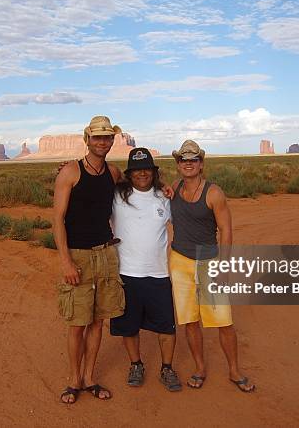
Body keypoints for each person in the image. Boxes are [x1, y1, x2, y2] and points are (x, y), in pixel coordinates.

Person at [169, 139, 256, 393]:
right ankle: (199, 368)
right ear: (178, 164)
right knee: (190, 320)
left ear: (201, 163)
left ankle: (234, 370)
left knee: (223, 321)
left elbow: (226, 231)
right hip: (180, 261)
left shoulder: (214, 193)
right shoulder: (173, 187)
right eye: (184, 160)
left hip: (208, 262)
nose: (188, 164)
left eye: (193, 159)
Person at [54, 115, 125, 404]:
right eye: (97, 137)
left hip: (106, 254)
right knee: (77, 323)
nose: (102, 142)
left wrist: (166, 186)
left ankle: (90, 378)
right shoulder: (70, 172)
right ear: (88, 139)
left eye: (107, 137)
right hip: (79, 256)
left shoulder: (114, 172)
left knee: (97, 322)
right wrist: (66, 262)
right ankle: (73, 380)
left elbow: (143, 180)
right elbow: (57, 219)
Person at [110, 148, 182, 392]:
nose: (142, 174)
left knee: (166, 325)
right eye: (137, 170)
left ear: (153, 172)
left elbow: (185, 215)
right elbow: (102, 174)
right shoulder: (117, 196)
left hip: (158, 273)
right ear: (129, 174)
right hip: (126, 273)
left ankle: (167, 368)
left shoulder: (165, 197)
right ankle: (136, 364)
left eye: (146, 169)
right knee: (128, 325)